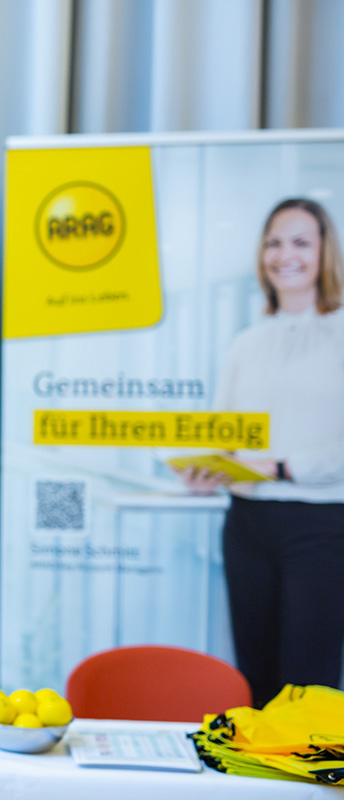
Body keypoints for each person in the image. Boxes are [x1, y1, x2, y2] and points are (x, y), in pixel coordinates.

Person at [178, 197, 344, 706]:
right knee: (254, 675)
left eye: (300, 242)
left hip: (320, 526)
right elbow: (225, 433)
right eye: (274, 242)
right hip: (248, 523)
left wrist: (283, 466)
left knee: (308, 684)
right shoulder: (246, 342)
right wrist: (207, 469)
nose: (284, 255)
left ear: (325, 252)